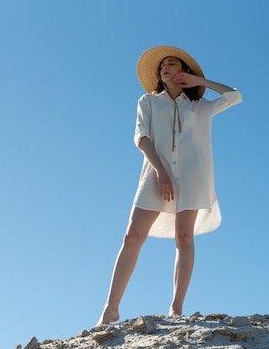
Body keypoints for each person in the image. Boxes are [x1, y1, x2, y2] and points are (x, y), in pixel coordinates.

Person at [97, 45, 242, 326]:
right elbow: (142, 138)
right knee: (132, 236)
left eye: (172, 63)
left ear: (184, 71)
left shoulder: (202, 107)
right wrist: (161, 171)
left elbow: (236, 96)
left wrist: (200, 83)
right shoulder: (148, 102)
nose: (164, 67)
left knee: (184, 238)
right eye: (161, 65)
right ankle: (110, 308)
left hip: (192, 177)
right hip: (156, 173)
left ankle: (176, 308)